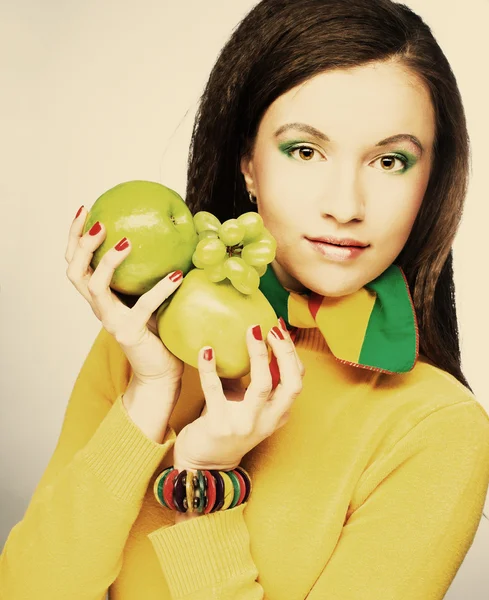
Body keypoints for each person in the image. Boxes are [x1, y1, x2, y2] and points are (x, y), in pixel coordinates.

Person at [2, 0, 489, 598]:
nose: (346, 204)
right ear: (248, 164)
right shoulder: (142, 342)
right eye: (305, 151)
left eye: (390, 160)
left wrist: (204, 484)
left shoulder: (437, 428)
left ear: (431, 182)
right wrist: (149, 394)